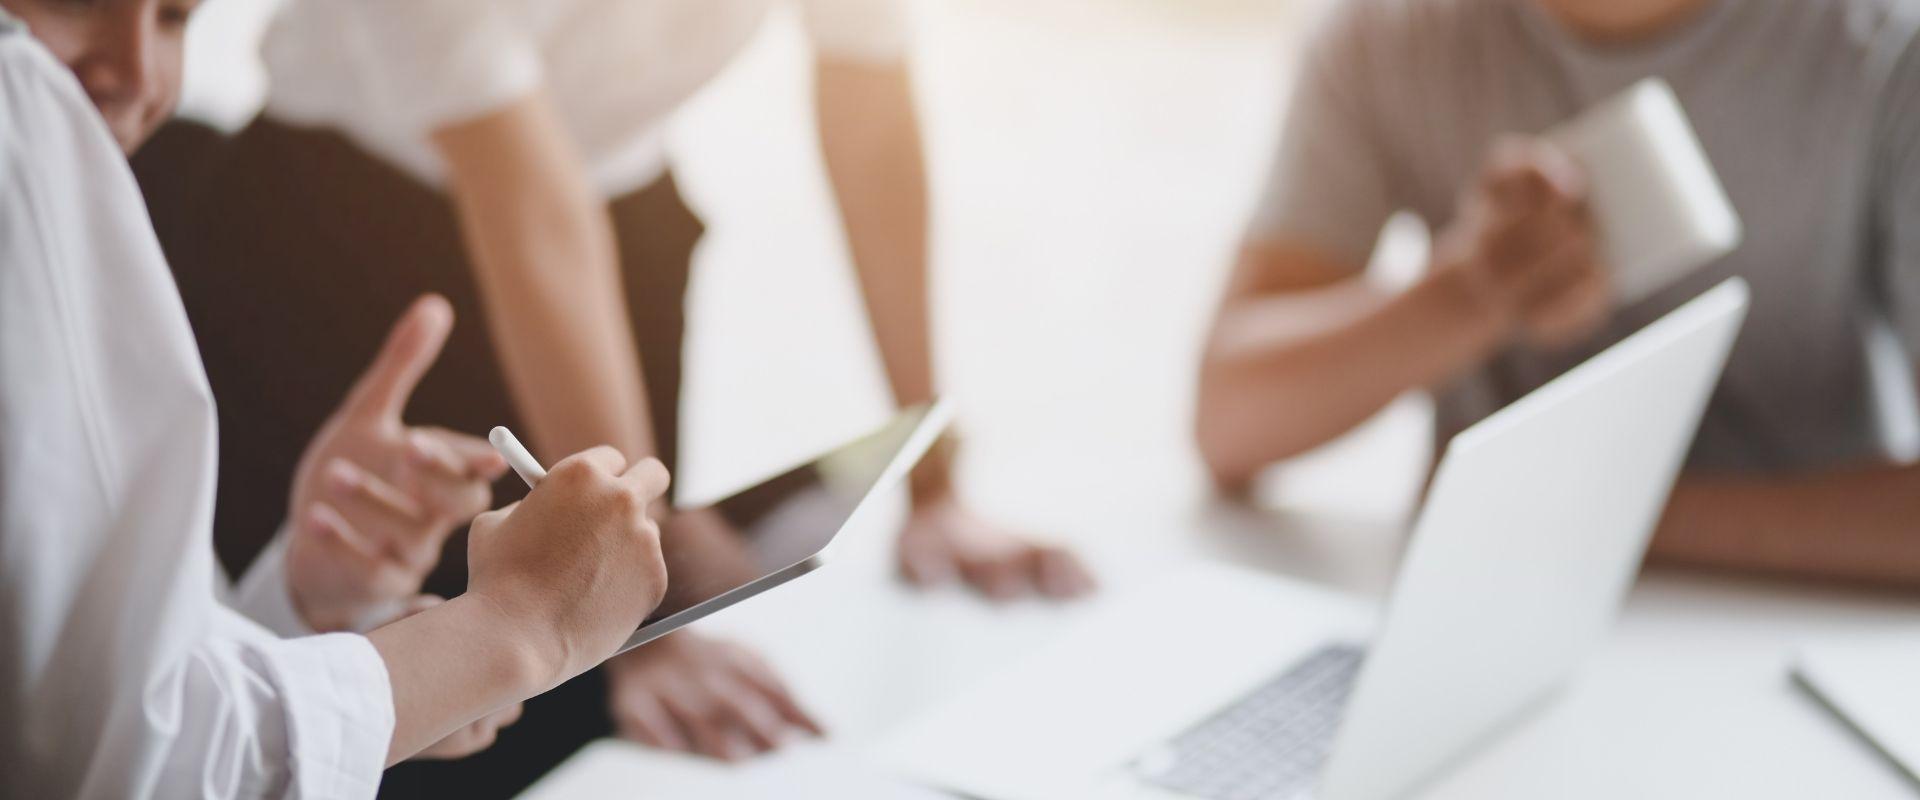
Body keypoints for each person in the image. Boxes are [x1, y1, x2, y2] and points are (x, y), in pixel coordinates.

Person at [131, 0, 1097, 790]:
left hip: (620, 213)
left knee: (611, 708)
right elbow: (526, 204)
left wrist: (937, 488)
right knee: (403, 713)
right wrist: (639, 599)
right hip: (333, 245)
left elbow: (869, 108)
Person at [0, 0, 679, 795]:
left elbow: (88, 691)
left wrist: (295, 607)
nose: (141, 79)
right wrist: (508, 630)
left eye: (178, 18)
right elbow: (121, 768)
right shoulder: (21, 108)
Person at [1196, 0, 1920, 585]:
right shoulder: (1386, 36)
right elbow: (1229, 423)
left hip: (1799, 624)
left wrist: (1600, 516)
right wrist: (1466, 294)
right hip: (1489, 613)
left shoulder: (1887, 50)